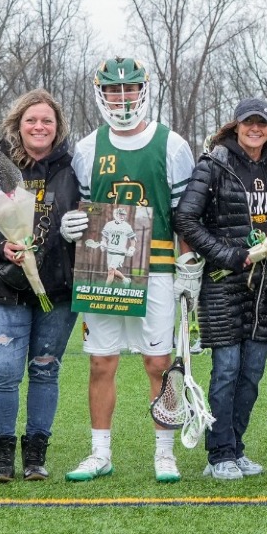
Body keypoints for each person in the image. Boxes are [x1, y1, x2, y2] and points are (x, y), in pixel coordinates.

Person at [64, 57, 196, 484]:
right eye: (114, 90)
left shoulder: (172, 145)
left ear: (143, 90)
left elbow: (185, 216)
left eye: (130, 88)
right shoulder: (87, 148)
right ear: (101, 93)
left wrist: (187, 268)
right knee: (102, 362)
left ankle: (165, 453)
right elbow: (83, 208)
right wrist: (71, 225)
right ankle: (100, 452)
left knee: (158, 363)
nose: (122, 97)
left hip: (156, 268)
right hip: (103, 267)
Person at [0, 89, 82, 483]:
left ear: (58, 127)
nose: (39, 127)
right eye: (31, 120)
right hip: (1, 287)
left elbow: (94, 211)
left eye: (47, 121)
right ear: (18, 124)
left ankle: (36, 456)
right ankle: (3, 456)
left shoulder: (73, 166)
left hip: (57, 288)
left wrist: (79, 227)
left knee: (45, 369)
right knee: (5, 372)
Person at [173, 97, 267, 482]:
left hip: (266, 284)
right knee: (226, 370)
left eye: (262, 123)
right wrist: (229, 255)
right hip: (223, 282)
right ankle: (218, 453)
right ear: (235, 125)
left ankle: (235, 448)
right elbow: (186, 219)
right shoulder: (214, 164)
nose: (255, 129)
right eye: (248, 122)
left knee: (252, 373)